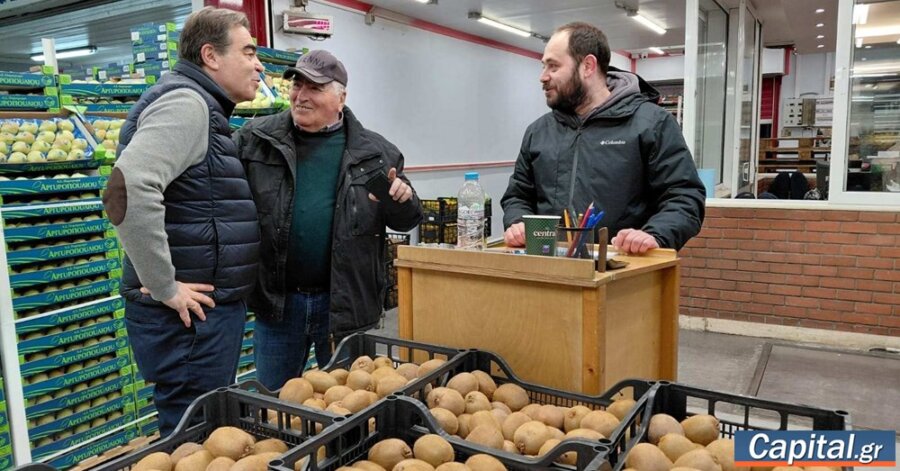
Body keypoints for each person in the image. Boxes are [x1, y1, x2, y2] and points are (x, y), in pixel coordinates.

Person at [102, 7, 263, 436]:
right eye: (248, 52)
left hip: (199, 320)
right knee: (195, 439)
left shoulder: (202, 106)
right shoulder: (187, 104)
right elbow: (126, 189)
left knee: (201, 431)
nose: (259, 65)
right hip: (189, 323)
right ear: (211, 56)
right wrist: (165, 285)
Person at [233, 50, 423, 391]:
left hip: (344, 307)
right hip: (279, 305)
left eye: (315, 88)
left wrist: (401, 199)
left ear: (341, 98)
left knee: (349, 402)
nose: (301, 96)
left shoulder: (377, 153)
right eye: (297, 85)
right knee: (275, 402)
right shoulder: (255, 141)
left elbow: (406, 220)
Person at [501, 22, 705, 254]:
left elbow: (684, 197)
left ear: (588, 66)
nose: (543, 77)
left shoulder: (652, 124)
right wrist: (517, 222)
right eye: (543, 66)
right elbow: (518, 195)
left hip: (624, 266)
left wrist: (654, 234)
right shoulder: (538, 132)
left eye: (553, 66)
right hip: (550, 266)